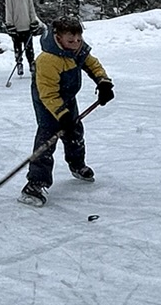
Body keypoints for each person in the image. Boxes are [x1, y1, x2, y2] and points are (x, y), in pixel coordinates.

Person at [20, 16, 114, 206]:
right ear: (58, 38)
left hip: (67, 96)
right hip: (47, 101)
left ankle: (77, 164)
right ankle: (35, 183)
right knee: (48, 138)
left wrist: (103, 82)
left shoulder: (76, 49)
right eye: (71, 40)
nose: (76, 43)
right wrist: (62, 115)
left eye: (79, 39)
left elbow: (92, 64)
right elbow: (48, 93)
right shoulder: (48, 60)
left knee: (75, 131)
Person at [3, 0, 41, 75]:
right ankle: (19, 64)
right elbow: (9, 11)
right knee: (18, 48)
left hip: (27, 26)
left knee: (29, 48)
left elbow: (31, 9)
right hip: (16, 27)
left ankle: (32, 63)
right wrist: (9, 24)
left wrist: (33, 21)